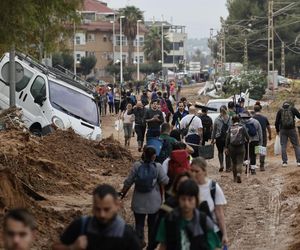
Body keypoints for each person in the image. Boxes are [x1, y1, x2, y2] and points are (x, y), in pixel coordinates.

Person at [53, 184, 140, 250]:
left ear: (117, 205)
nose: (102, 214)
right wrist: (72, 247)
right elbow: (56, 246)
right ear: (93, 207)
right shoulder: (81, 225)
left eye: (106, 209)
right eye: (98, 209)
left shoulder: (127, 235)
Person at [120, 146, 169, 249]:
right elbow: (165, 181)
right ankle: (151, 247)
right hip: (154, 203)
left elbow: (128, 182)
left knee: (139, 225)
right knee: (152, 226)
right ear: (154, 156)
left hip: (138, 202)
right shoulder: (158, 166)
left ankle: (139, 243)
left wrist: (121, 194)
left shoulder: (137, 166)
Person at [156, 179, 220, 250]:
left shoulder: (203, 221)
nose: (186, 204)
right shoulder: (168, 220)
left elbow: (215, 246)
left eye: (190, 199)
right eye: (183, 199)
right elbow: (163, 245)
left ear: (196, 200)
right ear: (178, 199)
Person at [191, 157, 228, 246]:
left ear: (204, 171)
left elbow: (219, 213)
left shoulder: (213, 188)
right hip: (192, 233)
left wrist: (224, 234)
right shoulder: (188, 187)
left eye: (197, 171)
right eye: (191, 171)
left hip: (211, 233)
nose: (193, 174)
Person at [225, 115, 250, 183]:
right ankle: (239, 174)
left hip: (232, 147)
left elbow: (227, 138)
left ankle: (235, 178)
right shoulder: (242, 127)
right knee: (240, 162)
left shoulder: (230, 127)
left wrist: (226, 147)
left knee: (234, 162)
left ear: (232, 120)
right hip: (241, 147)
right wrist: (248, 140)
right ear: (239, 120)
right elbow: (247, 136)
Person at [275, 101, 300, 167]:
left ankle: (285, 162)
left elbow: (276, 122)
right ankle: (298, 162)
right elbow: (299, 116)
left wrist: (277, 130)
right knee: (296, 145)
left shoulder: (280, 110)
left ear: (283, 105)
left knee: (283, 146)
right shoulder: (293, 109)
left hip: (283, 130)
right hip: (292, 129)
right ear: (289, 105)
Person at [211, 105, 231, 172]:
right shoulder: (230, 119)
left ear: (220, 111)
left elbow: (214, 130)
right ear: (226, 110)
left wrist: (212, 139)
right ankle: (228, 168)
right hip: (228, 138)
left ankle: (221, 165)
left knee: (220, 152)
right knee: (227, 152)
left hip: (219, 138)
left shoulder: (217, 119)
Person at [253, 104, 272, 171]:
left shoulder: (252, 118)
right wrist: (270, 135)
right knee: (262, 149)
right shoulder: (264, 118)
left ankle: (253, 165)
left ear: (254, 110)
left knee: (254, 150)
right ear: (260, 110)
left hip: (254, 136)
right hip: (263, 136)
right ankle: (262, 165)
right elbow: (268, 127)